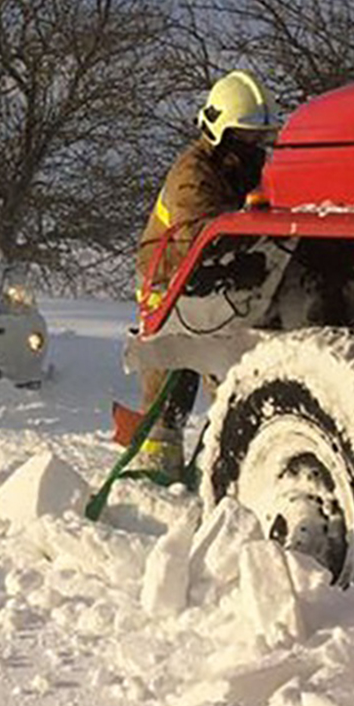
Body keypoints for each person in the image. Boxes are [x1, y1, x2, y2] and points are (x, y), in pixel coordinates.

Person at [132, 70, 282, 475]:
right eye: (246, 139)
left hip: (214, 285)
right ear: (219, 132)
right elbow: (202, 237)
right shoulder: (192, 175)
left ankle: (228, 462)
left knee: (230, 375)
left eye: (262, 139)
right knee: (170, 380)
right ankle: (153, 470)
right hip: (167, 283)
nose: (255, 149)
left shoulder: (246, 169)